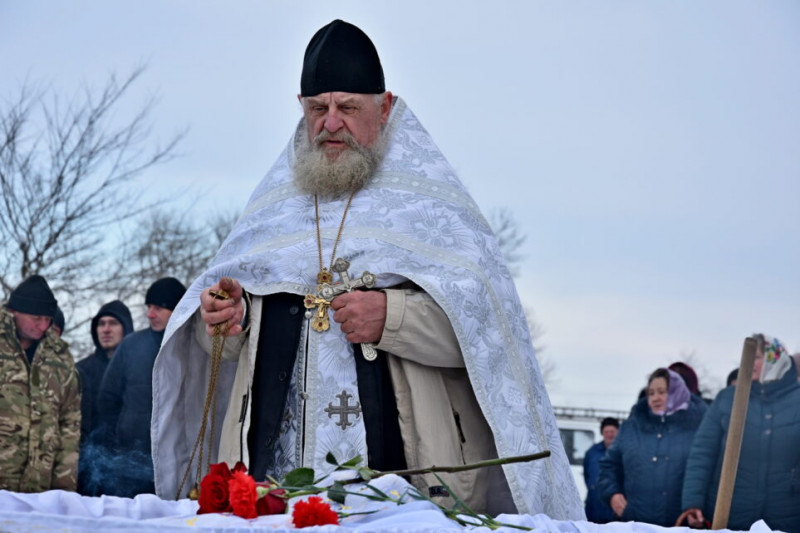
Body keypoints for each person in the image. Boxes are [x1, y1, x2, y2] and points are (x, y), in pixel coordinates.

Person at [151, 19, 582, 519]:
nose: (330, 123)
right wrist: (227, 321)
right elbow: (223, 354)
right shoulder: (272, 211)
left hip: (406, 485)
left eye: (348, 108)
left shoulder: (436, 209)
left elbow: (488, 340)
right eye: (317, 108)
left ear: (386, 107)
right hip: (275, 485)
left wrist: (392, 316)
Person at [681, 334, 800, 532]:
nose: (750, 362)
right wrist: (693, 502)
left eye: (758, 356)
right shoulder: (727, 398)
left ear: (775, 359)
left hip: (786, 514)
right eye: (748, 356)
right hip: (732, 512)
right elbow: (702, 452)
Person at [96, 278, 185, 497]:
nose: (150, 314)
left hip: (179, 462)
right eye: (148, 308)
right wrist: (119, 439)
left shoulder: (194, 346)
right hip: (130, 461)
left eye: (158, 308)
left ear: (178, 308)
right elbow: (108, 398)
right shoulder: (132, 345)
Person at [0, 275, 81, 492]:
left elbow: (69, 423)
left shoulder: (59, 356)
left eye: (48, 319)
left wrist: (63, 490)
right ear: (14, 312)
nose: (43, 326)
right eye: (37, 318)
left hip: (40, 490)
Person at [598, 368, 706, 526]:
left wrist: (700, 507)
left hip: (680, 525)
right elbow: (608, 466)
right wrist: (612, 494)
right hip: (635, 523)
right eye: (651, 393)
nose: (655, 398)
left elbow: (709, 472)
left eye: (662, 392)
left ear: (678, 392)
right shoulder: (631, 427)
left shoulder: (699, 427)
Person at [75, 300, 134, 495]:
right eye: (101, 324)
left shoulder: (140, 370)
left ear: (126, 328)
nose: (106, 329)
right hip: (87, 471)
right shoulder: (80, 371)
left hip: (130, 468)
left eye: (113, 323)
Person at [583, 417, 619, 523]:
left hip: (615, 511)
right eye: (606, 431)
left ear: (618, 432)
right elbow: (587, 475)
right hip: (594, 508)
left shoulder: (624, 452)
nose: (609, 434)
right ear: (602, 433)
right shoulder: (592, 452)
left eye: (612, 431)